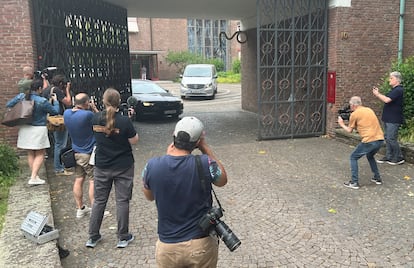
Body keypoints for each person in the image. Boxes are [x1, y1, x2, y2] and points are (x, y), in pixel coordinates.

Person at [142, 116, 228, 267]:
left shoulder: (152, 166)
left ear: (173, 136)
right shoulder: (204, 163)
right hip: (200, 244)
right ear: (196, 143)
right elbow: (222, 180)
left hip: (168, 247)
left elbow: (149, 196)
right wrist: (205, 148)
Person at [86, 88, 138, 249]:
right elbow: (134, 140)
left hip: (102, 165)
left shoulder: (94, 119)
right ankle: (122, 236)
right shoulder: (124, 121)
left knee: (99, 201)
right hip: (123, 165)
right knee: (122, 201)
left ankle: (93, 236)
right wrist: (129, 121)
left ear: (103, 101)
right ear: (118, 102)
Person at [6, 79, 59, 185]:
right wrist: (56, 101)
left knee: (30, 152)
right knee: (40, 153)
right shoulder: (42, 101)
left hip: (25, 127)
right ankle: (33, 177)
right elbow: (55, 111)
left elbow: (9, 104)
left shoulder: (22, 96)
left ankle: (35, 175)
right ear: (39, 89)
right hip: (38, 129)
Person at [64, 93, 99, 218]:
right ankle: (96, 210)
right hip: (88, 153)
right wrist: (94, 108)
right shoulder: (87, 115)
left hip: (76, 152)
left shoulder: (66, 113)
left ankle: (80, 208)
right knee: (93, 180)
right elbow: (101, 120)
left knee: (79, 179)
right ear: (86, 103)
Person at [338, 96, 384, 189]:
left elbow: (349, 130)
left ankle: (354, 182)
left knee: (353, 157)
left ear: (353, 105)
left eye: (350, 105)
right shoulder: (369, 110)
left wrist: (341, 124)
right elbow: (364, 124)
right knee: (370, 155)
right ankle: (377, 178)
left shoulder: (355, 114)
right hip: (380, 139)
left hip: (369, 140)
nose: (350, 107)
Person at [42, 74, 73, 175]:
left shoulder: (47, 89)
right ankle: (59, 168)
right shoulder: (56, 90)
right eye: (63, 85)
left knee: (57, 143)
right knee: (60, 144)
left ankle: (59, 166)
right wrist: (67, 90)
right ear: (60, 84)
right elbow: (68, 102)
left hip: (50, 119)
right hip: (58, 119)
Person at [372, 71, 405, 165]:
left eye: (391, 78)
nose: (389, 80)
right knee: (387, 137)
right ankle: (389, 156)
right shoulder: (393, 90)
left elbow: (387, 100)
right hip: (388, 118)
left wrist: (377, 94)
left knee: (391, 138)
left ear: (397, 79)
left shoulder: (398, 90)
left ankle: (399, 157)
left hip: (393, 119)